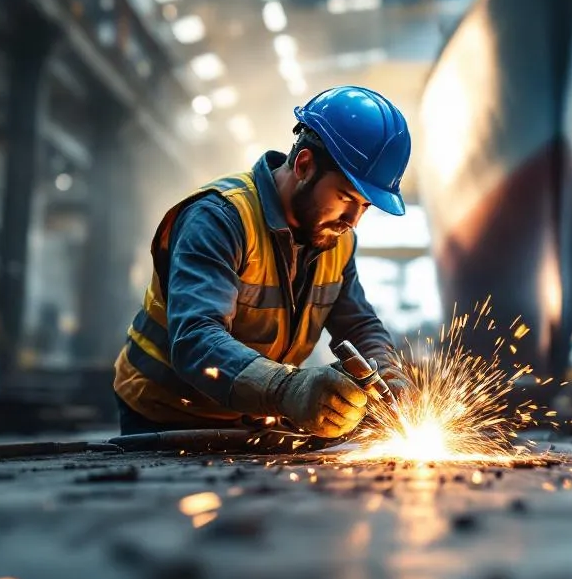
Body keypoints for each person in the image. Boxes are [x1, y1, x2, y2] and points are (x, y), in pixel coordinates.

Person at [112, 86, 415, 440]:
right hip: (167, 415)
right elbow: (196, 339)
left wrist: (390, 374)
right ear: (304, 165)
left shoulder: (336, 238)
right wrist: (289, 389)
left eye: (364, 206)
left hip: (255, 416)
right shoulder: (219, 219)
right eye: (346, 197)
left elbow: (359, 325)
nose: (353, 220)